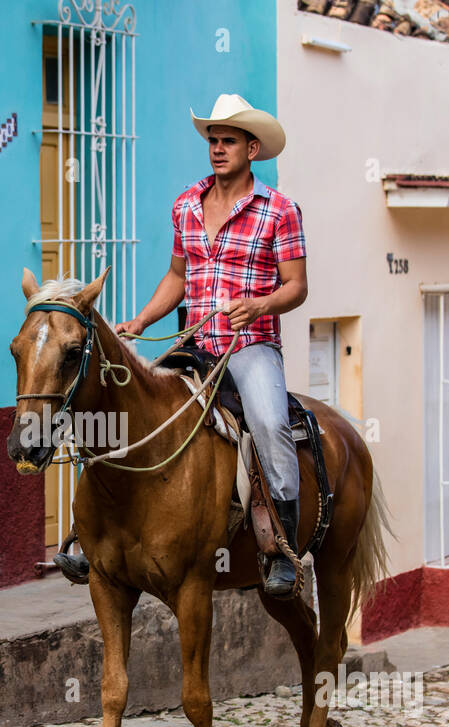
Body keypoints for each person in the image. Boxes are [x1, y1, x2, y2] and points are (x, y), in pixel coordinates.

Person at [117, 93, 309, 597]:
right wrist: (140, 320)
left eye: (228, 141)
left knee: (268, 422)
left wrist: (260, 305)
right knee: (124, 400)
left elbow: (296, 286)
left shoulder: (280, 211)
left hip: (250, 346)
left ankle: (283, 548)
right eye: (213, 140)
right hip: (194, 343)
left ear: (252, 148)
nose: (218, 148)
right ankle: (88, 535)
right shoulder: (185, 205)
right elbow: (177, 275)